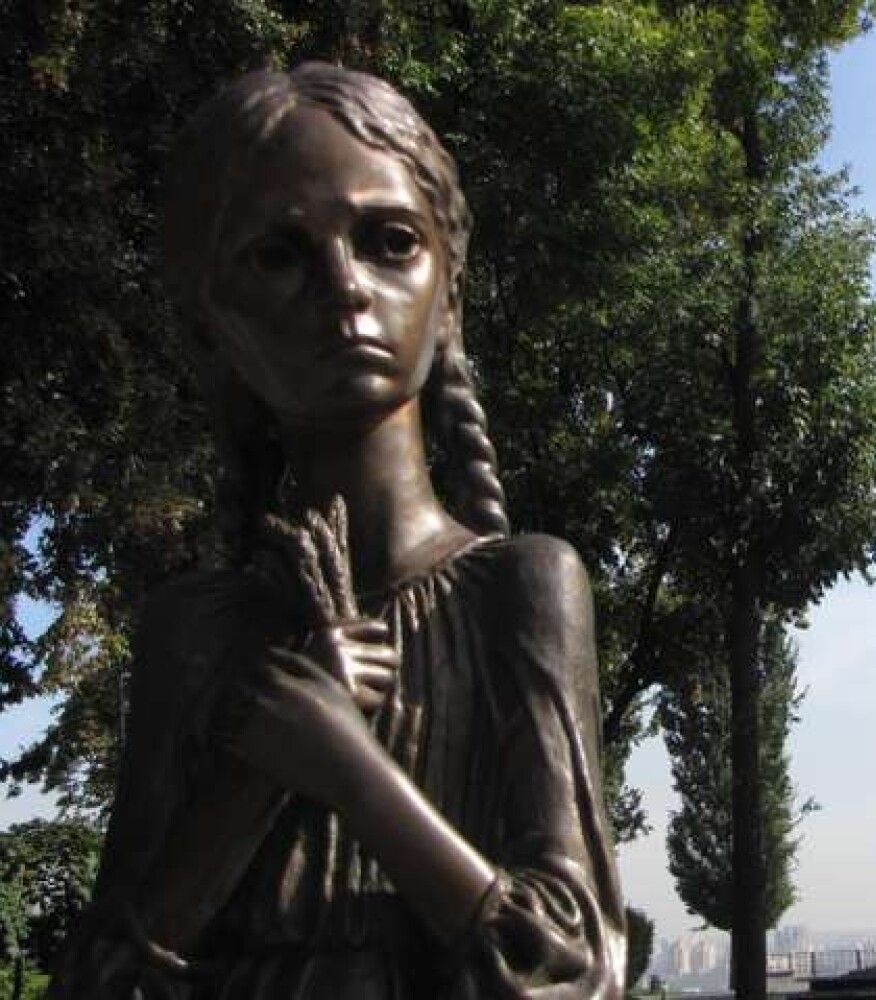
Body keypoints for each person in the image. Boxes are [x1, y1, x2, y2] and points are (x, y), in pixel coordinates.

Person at [49, 63, 625, 999]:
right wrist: (250, 779)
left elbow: (573, 971)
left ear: (448, 291)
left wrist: (349, 769)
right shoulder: (191, 633)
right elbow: (102, 979)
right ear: (215, 321)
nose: (344, 288)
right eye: (279, 256)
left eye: (390, 241)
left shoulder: (520, 587)